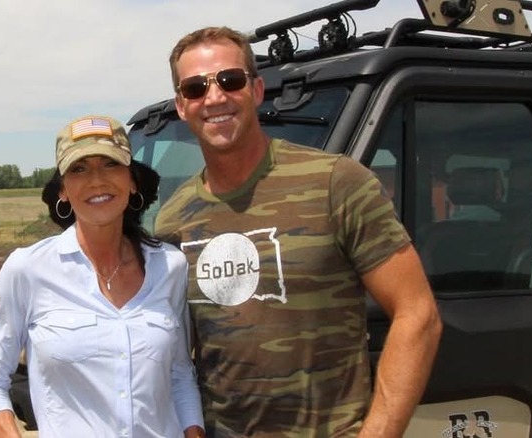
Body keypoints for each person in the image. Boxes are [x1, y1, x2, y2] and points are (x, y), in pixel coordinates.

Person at [154, 27, 443, 437]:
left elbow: (418, 315)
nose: (214, 97)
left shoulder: (334, 183)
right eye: (196, 87)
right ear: (182, 106)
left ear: (255, 90)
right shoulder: (175, 219)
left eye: (230, 81)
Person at [0, 115, 205, 438]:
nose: (96, 180)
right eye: (79, 169)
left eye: (110, 164)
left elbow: (179, 374)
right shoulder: (27, 270)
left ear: (132, 180)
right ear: (63, 190)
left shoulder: (170, 266)